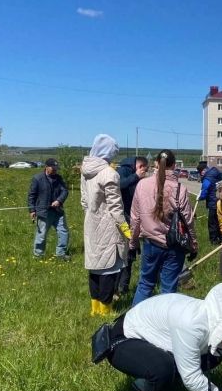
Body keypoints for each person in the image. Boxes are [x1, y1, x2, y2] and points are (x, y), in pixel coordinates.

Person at [130, 150, 197, 306]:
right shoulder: (179, 188)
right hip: (174, 246)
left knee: (145, 284)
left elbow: (135, 218)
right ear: (174, 165)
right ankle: (165, 326)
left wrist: (133, 243)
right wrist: (193, 244)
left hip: (150, 243)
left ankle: (132, 324)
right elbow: (188, 220)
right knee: (168, 290)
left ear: (155, 164)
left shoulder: (142, 185)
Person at [81, 134, 131, 316]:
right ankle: (105, 309)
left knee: (95, 267)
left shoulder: (85, 171)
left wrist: (92, 215)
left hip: (91, 223)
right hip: (109, 227)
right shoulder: (110, 173)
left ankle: (94, 308)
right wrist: (126, 229)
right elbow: (115, 206)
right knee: (109, 270)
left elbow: (84, 201)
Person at [116, 156, 149, 296]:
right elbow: (118, 185)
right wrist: (136, 176)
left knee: (130, 253)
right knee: (126, 253)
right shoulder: (123, 170)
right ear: (139, 166)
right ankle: (119, 288)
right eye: (144, 169)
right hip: (123, 217)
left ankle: (123, 287)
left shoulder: (133, 174)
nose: (144, 172)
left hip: (131, 216)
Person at [27, 158, 70, 260]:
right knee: (41, 234)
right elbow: (31, 195)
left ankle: (61, 254)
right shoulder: (37, 178)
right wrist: (32, 210)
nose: (55, 170)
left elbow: (65, 191)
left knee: (63, 232)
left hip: (58, 211)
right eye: (53, 168)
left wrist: (59, 201)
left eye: (56, 168)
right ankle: (38, 255)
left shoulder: (59, 178)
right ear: (46, 167)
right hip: (44, 212)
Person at [197, 165, 222, 244]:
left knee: (212, 223)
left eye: (201, 172)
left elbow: (205, 189)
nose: (201, 174)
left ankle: (214, 240)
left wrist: (200, 197)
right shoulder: (217, 175)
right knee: (221, 221)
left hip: (213, 204)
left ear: (204, 170)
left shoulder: (208, 178)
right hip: (221, 202)